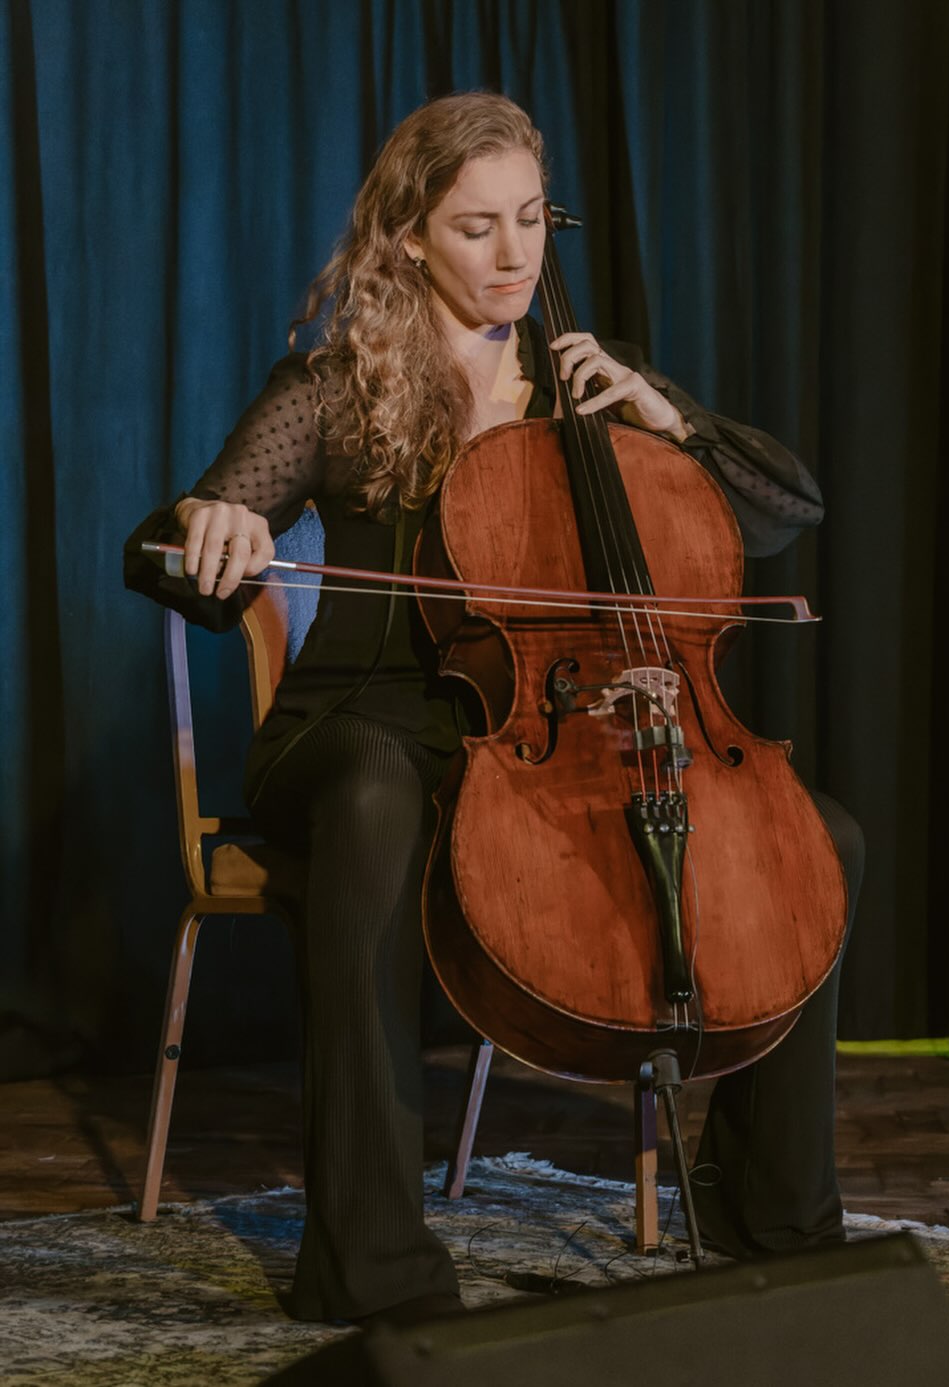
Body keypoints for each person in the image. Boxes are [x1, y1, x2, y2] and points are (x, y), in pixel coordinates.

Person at [125, 92, 863, 1326]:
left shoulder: (584, 390)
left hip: (544, 739)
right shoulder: (336, 388)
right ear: (410, 236)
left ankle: (774, 1218)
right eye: (477, 228)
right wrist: (217, 527)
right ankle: (374, 1265)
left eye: (530, 219)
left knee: (818, 840)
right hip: (361, 720)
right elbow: (167, 553)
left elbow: (784, 508)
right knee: (370, 796)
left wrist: (662, 415)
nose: (516, 255)